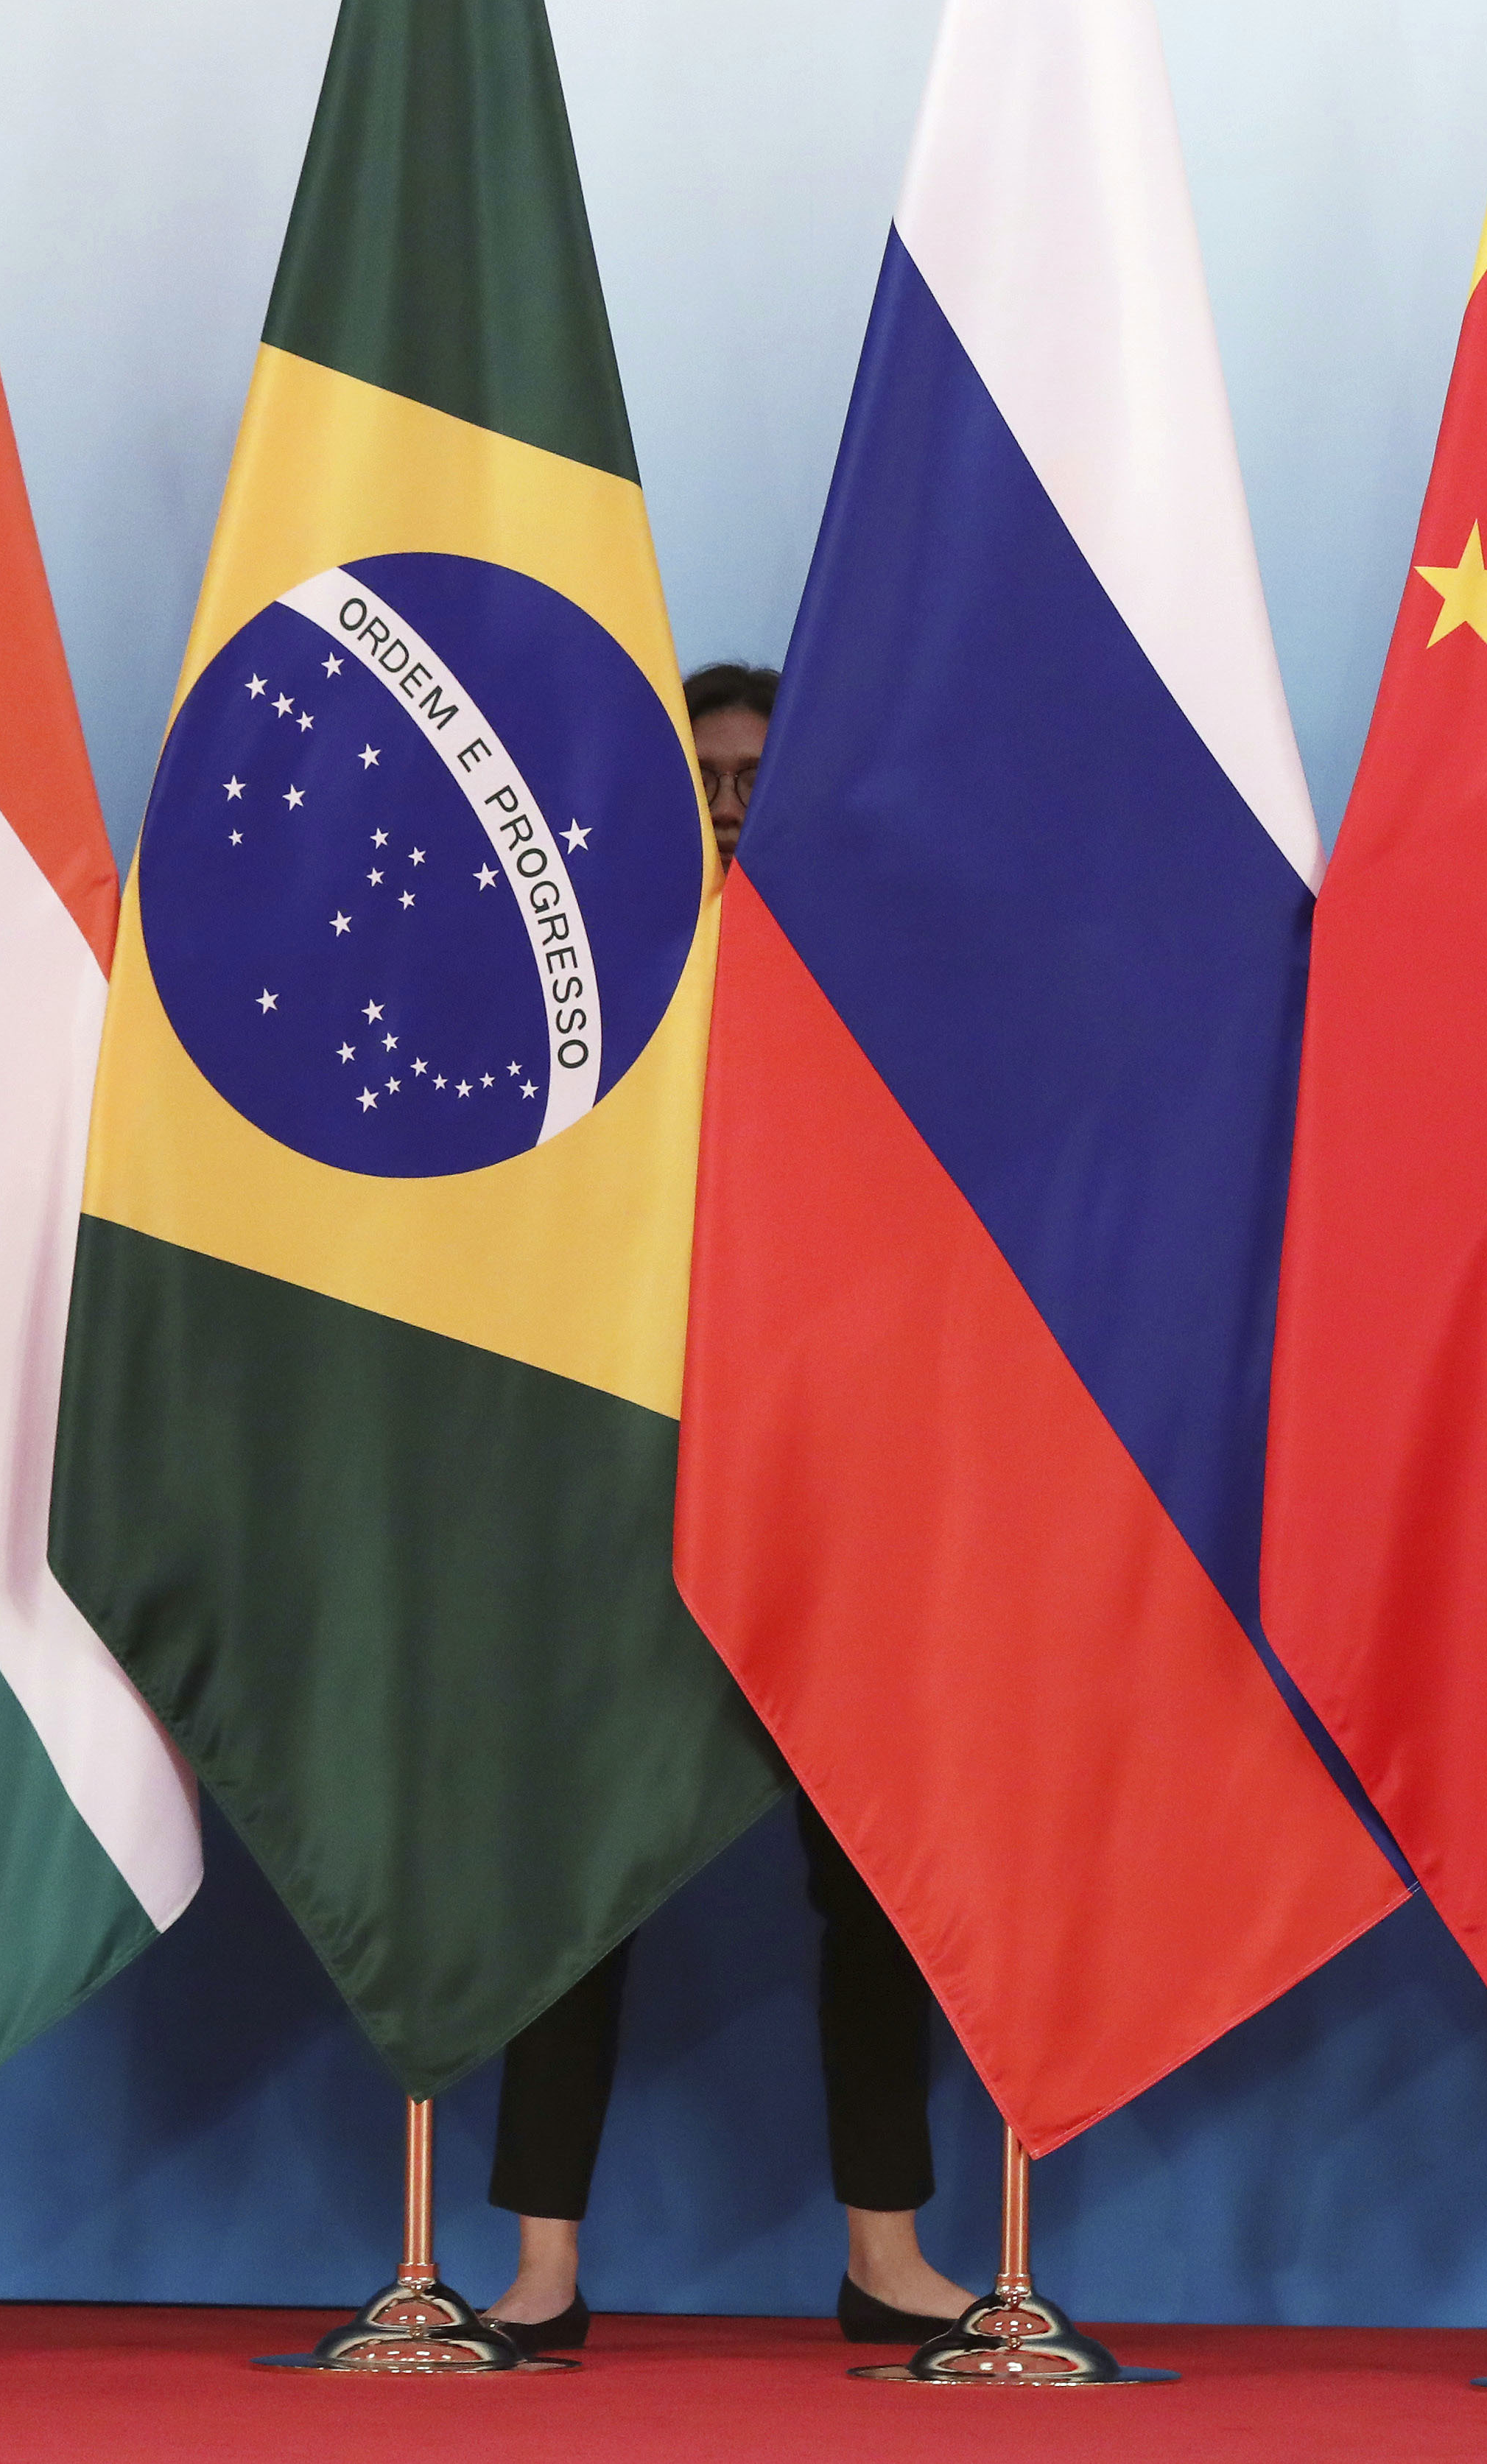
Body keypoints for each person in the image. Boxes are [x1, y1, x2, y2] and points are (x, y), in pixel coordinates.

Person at [476, 663, 975, 2354]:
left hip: (838, 1496)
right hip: (628, 1491)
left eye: (757, 771)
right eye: (704, 773)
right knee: (579, 1876)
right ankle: (539, 2266)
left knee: (876, 1882)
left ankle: (883, 2251)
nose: (732, 798)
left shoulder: (876, 995)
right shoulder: (587, 990)